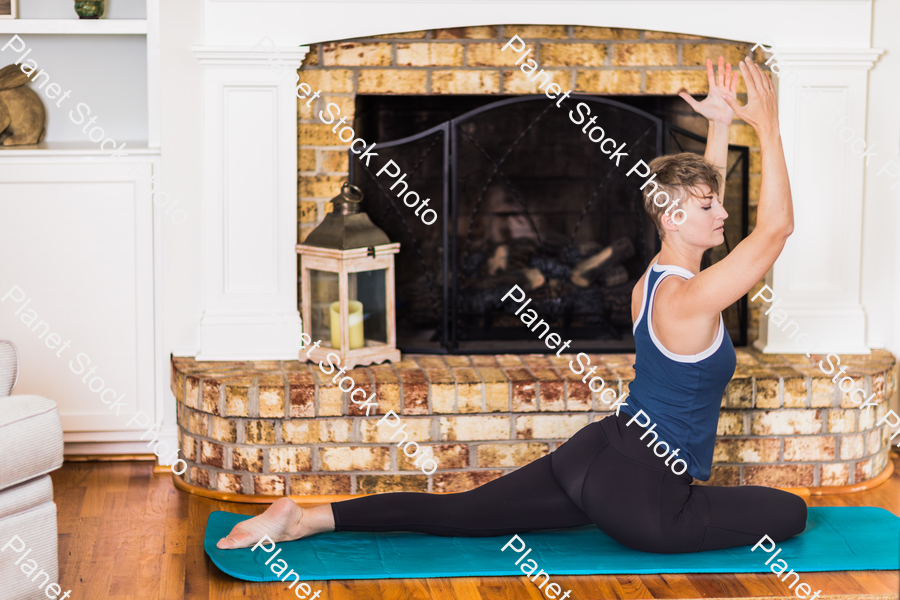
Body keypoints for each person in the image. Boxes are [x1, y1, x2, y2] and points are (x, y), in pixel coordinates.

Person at [217, 56, 807, 554]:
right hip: (643, 501)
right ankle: (305, 518)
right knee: (791, 513)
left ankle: (305, 517)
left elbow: (696, 211)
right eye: (710, 207)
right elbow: (775, 229)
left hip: (594, 455)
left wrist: (723, 124)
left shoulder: (658, 281)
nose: (723, 213)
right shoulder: (692, 297)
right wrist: (771, 126)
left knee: (464, 513)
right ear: (676, 217)